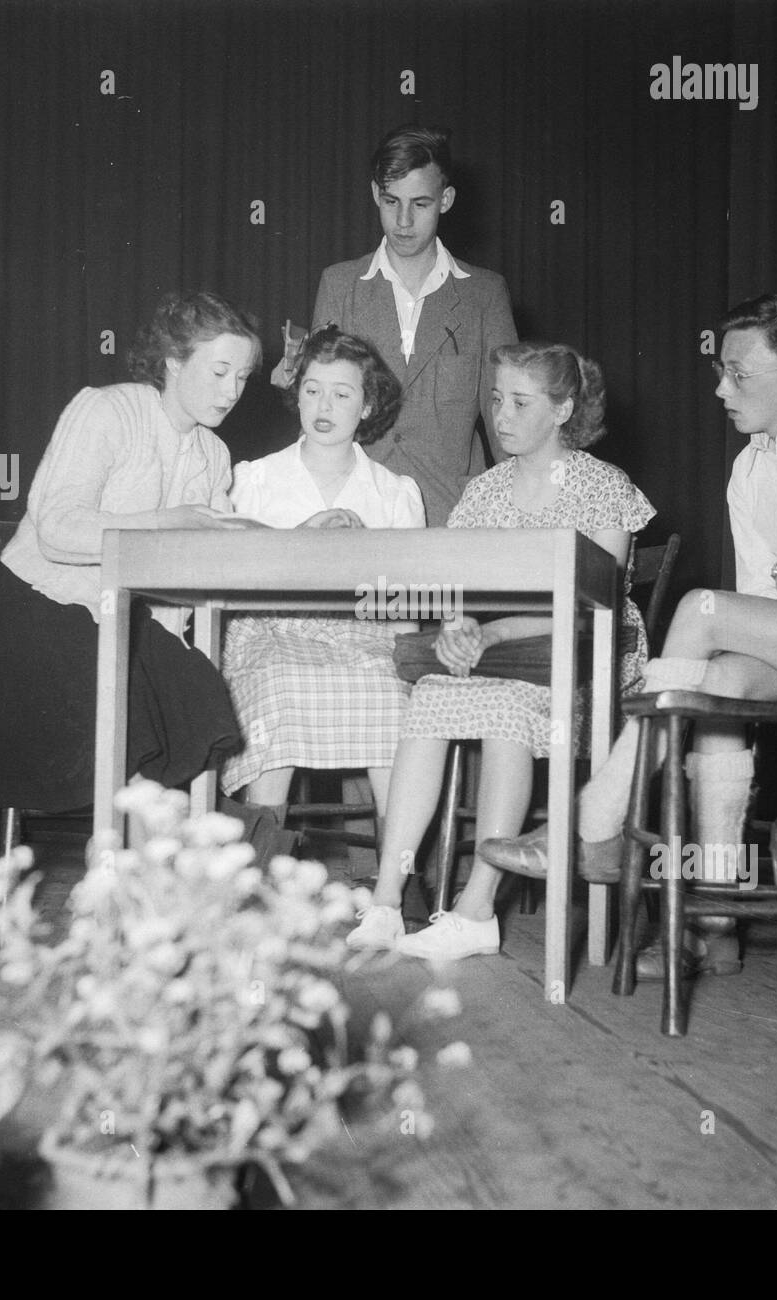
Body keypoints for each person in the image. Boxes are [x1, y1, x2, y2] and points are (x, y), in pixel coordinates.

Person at [479, 289, 777, 977]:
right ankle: (714, 921)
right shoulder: (749, 468)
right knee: (717, 677)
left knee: (702, 611)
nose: (718, 387)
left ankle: (592, 821)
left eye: (737, 373)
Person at [345, 341, 656, 961]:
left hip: (586, 664)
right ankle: (384, 901)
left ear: (565, 409)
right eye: (496, 400)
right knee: (430, 697)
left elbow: (590, 604)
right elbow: (455, 580)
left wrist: (493, 632)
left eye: (520, 401)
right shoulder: (482, 492)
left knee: (505, 707)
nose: (501, 415)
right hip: (500, 656)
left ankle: (477, 908)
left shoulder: (606, 488)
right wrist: (459, 621)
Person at [0, 291, 268, 816]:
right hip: (37, 613)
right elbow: (58, 531)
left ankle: (162, 855)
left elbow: (207, 565)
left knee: (196, 688)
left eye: (243, 376)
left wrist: (272, 535)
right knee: (131, 692)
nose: (232, 391)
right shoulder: (107, 408)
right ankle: (141, 860)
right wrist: (164, 521)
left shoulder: (214, 454)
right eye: (220, 371)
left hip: (120, 624)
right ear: (174, 362)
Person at [219, 327, 426, 823]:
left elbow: (409, 607)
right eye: (312, 390)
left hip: (364, 640)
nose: (324, 406)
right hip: (272, 635)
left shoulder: (395, 493)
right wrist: (299, 540)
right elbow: (228, 584)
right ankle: (263, 872)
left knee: (391, 695)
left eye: (342, 393)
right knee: (278, 686)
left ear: (368, 405)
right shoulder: (254, 480)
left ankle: (393, 887)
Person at [275, 124, 518, 526]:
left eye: (420, 204)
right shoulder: (339, 284)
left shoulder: (486, 295)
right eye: (391, 201)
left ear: (446, 199)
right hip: (358, 516)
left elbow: (505, 423)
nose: (403, 221)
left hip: (455, 517)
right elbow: (322, 416)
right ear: (375, 194)